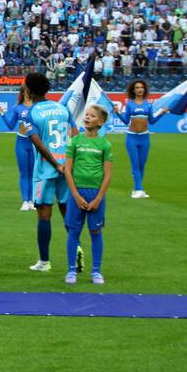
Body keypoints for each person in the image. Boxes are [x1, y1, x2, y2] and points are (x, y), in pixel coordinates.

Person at [25, 72, 77, 274]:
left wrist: (55, 164)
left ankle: (44, 261)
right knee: (67, 212)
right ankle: (76, 251)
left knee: (44, 215)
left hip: (47, 170)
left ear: (28, 90)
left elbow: (38, 143)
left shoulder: (30, 113)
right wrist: (67, 164)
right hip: (67, 168)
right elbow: (75, 135)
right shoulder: (62, 108)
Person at [63, 104, 113, 286]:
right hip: (77, 193)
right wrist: (75, 195)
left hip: (96, 195)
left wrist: (98, 198)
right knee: (74, 232)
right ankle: (71, 270)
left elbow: (107, 174)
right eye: (86, 115)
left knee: (96, 232)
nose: (87, 117)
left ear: (101, 122)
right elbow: (67, 170)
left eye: (92, 116)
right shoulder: (75, 141)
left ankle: (96, 272)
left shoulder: (105, 144)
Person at [113, 79, 166, 199]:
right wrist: (117, 112)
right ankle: (139, 189)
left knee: (142, 165)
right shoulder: (130, 104)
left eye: (141, 87)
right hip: (132, 138)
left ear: (144, 89)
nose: (139, 89)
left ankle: (137, 188)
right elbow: (126, 121)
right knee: (135, 164)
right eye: (137, 87)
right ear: (133, 90)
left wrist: (162, 113)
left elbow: (152, 121)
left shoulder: (148, 104)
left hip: (145, 138)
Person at [0, 84, 36, 210]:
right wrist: (2, 114)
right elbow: (10, 125)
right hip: (21, 142)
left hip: (35, 143)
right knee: (24, 173)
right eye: (24, 91)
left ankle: (32, 200)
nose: (27, 94)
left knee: (33, 173)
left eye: (29, 91)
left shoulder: (37, 107)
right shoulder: (17, 108)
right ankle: (25, 200)